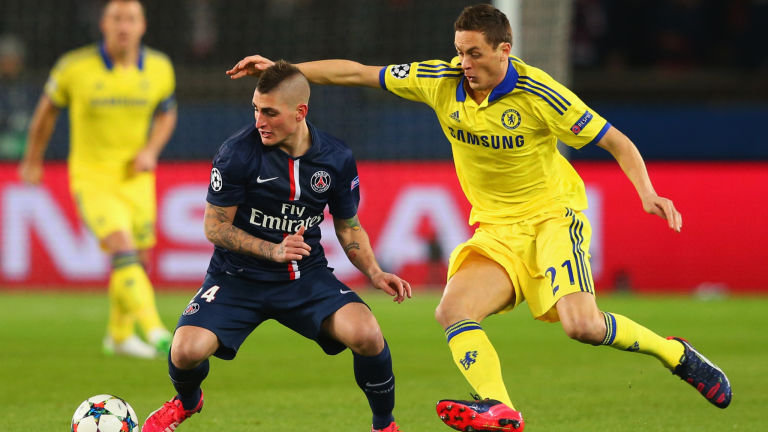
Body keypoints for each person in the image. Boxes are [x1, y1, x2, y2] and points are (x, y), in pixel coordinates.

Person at [226, 4, 732, 431]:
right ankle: (500, 408)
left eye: (474, 53)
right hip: (496, 230)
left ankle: (675, 354)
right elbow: (358, 72)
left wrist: (647, 192)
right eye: (459, 51)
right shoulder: (439, 80)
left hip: (552, 219)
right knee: (452, 310)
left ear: (503, 50)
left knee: (582, 326)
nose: (463, 63)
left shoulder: (540, 94)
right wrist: (286, 70)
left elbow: (616, 141)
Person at [141, 61, 411, 432]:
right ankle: (187, 402)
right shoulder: (237, 153)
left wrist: (375, 272)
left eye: (269, 112)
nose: (259, 121)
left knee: (367, 333)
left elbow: (348, 227)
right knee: (185, 351)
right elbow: (214, 226)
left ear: (300, 112)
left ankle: (384, 425)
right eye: (255, 109)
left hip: (304, 277)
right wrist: (272, 251)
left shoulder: (335, 158)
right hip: (236, 277)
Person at [18, 0, 176, 358]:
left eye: (131, 19)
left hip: (136, 178)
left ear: (142, 26)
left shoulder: (160, 68)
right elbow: (46, 113)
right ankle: (156, 330)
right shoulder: (74, 67)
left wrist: (151, 150)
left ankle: (119, 336)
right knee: (121, 246)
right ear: (103, 25)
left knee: (139, 259)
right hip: (92, 177)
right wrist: (32, 160)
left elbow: (167, 114)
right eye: (116, 19)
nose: (124, 26)